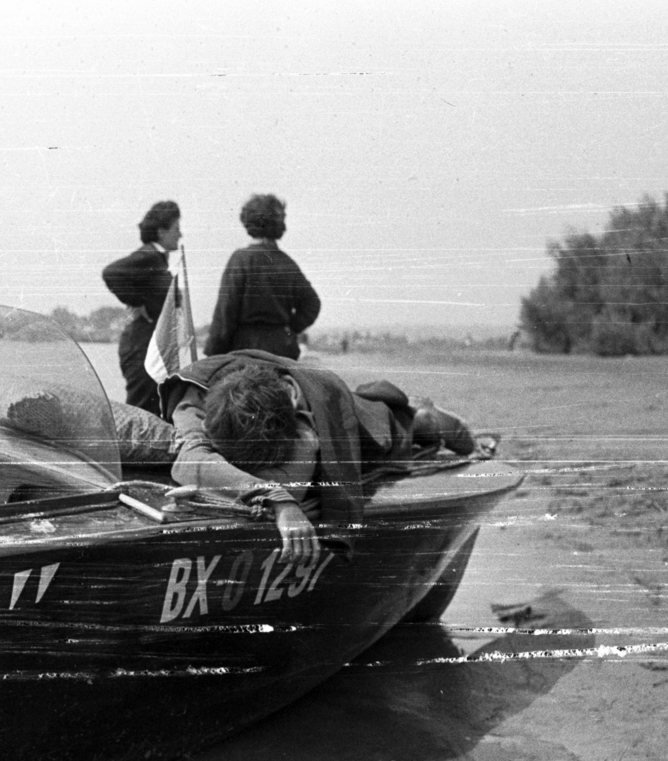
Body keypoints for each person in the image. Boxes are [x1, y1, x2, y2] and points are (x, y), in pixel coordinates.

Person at [162, 349, 484, 563]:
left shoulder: (321, 407)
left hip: (365, 422)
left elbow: (339, 497)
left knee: (393, 430)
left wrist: (289, 502)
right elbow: (189, 459)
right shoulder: (196, 399)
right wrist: (275, 498)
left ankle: (421, 415)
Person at [203, 194, 320, 360]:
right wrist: (290, 328)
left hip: (246, 349)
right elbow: (312, 303)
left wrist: (212, 353)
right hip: (283, 350)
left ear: (248, 222)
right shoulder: (287, 263)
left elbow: (225, 312)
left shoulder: (240, 259)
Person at [101, 201, 182, 415]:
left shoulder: (158, 259)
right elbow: (111, 272)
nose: (180, 235)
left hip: (150, 345)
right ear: (161, 231)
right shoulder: (149, 256)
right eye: (176, 229)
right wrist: (136, 302)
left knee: (151, 407)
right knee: (142, 408)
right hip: (141, 346)